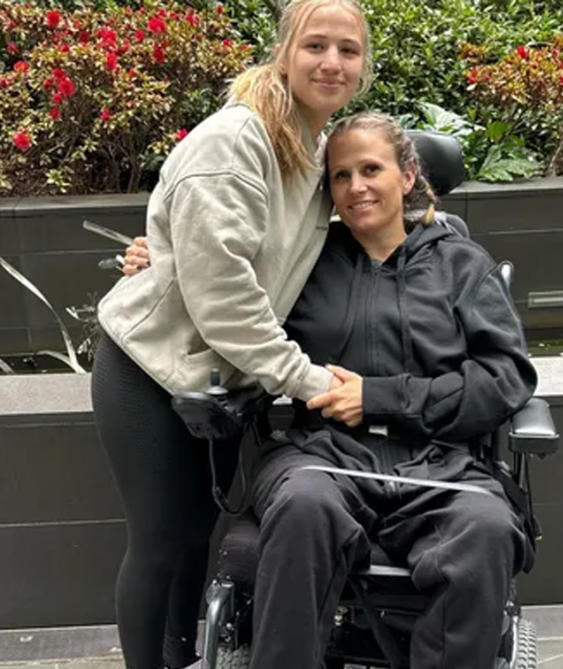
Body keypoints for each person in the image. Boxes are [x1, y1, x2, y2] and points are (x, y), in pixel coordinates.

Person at [124, 112, 537, 668]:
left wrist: (380, 397)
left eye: (371, 169)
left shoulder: (463, 266)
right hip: (320, 457)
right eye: (341, 176)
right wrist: (167, 259)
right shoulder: (303, 261)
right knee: (302, 508)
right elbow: (219, 283)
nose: (356, 187)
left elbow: (505, 380)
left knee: (485, 529)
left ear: (408, 176)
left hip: (440, 464)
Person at [91, 2, 371, 667]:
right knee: (159, 542)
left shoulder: (314, 151)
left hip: (220, 380)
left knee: (196, 539)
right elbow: (225, 300)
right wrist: (309, 380)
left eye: (348, 51)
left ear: (362, 69)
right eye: (316, 45)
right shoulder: (239, 139)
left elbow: (381, 198)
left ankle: (185, 658)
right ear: (284, 52)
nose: (332, 62)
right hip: (150, 372)